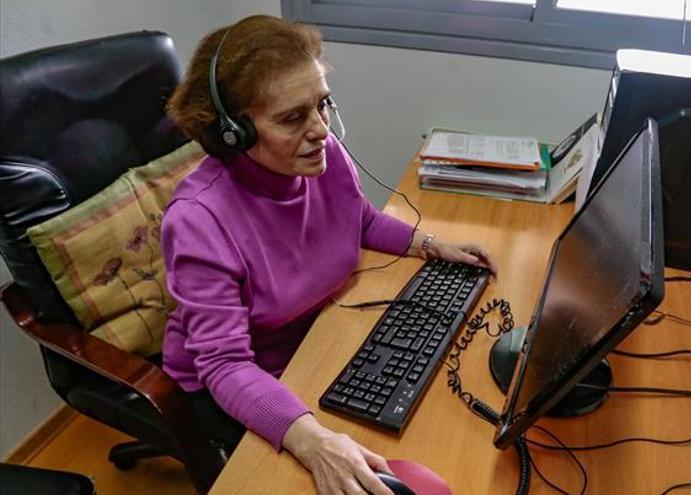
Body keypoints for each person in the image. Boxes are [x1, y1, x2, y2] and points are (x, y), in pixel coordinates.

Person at [162, 14, 497, 495]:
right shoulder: (198, 220)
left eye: (322, 105)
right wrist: (313, 441)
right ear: (233, 131)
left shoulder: (323, 156)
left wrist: (431, 245)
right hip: (238, 381)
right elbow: (224, 365)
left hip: (315, 341)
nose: (321, 130)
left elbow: (356, 220)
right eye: (293, 117)